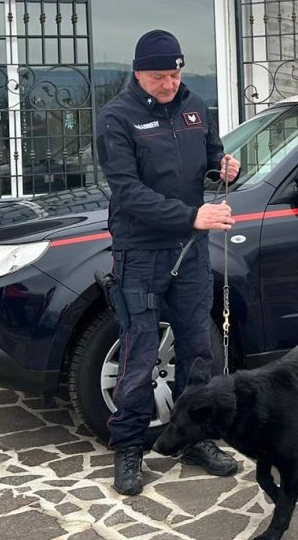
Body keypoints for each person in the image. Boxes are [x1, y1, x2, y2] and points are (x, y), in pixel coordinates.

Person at [96, 28, 241, 496]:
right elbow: (128, 192)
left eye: (175, 74)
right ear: (138, 73)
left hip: (190, 251)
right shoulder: (117, 117)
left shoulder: (195, 106)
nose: (169, 84)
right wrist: (191, 216)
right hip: (140, 253)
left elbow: (213, 157)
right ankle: (129, 447)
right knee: (139, 355)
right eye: (159, 76)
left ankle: (195, 439)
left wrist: (225, 167)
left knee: (197, 351)